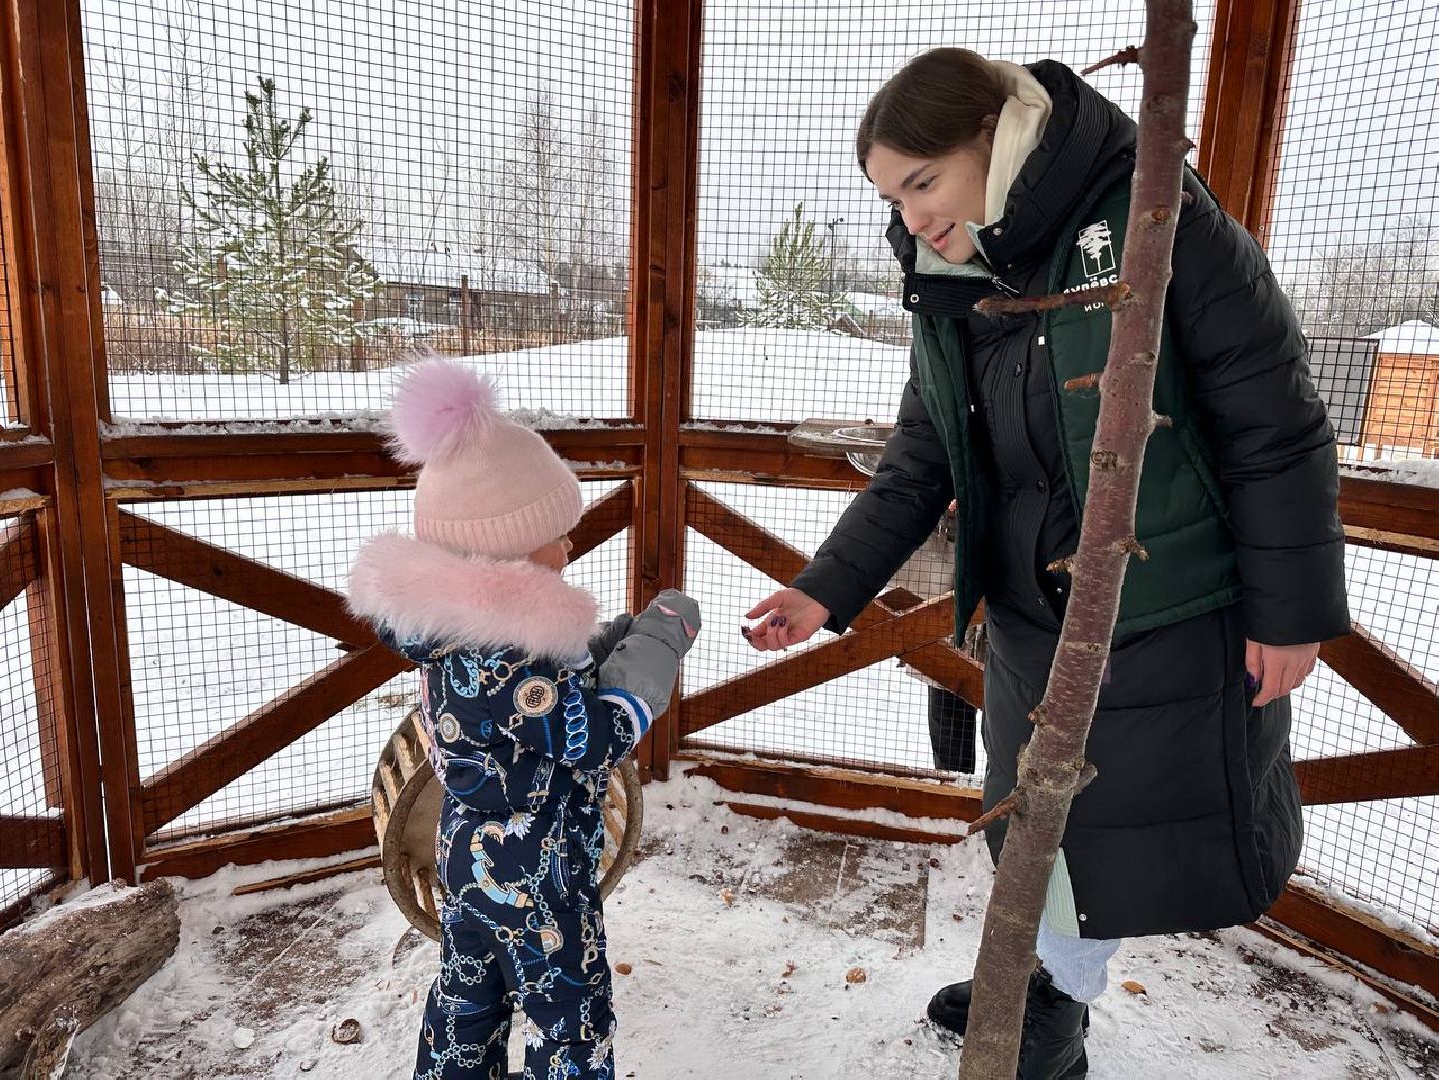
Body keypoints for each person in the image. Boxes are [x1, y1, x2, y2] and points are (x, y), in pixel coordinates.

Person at [743, 48, 1349, 1078]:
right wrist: (822, 588)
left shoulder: (1154, 217)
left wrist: (1291, 613)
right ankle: (1032, 975)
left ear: (994, 134)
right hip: (1028, 617)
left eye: (922, 181)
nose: (912, 215)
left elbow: (1276, 422)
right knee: (1036, 828)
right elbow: (921, 458)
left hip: (1155, 609)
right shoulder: (956, 277)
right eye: (892, 196)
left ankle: (1053, 1017)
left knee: (1095, 843)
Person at [348, 357, 701, 1080]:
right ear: (504, 548)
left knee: (466, 1001)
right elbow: (591, 739)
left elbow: (541, 690)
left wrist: (602, 646)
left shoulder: (455, 636)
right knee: (568, 1015)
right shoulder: (508, 658)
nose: (570, 545)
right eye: (556, 534)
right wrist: (653, 654)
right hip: (537, 875)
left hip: (467, 861)